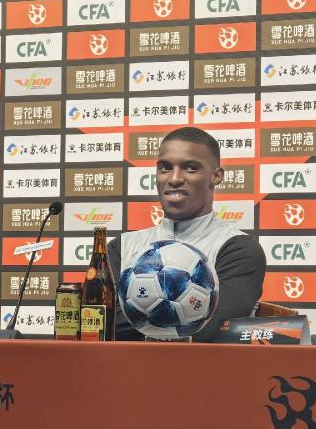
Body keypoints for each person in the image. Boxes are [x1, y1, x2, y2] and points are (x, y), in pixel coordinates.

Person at [108, 127, 266, 342]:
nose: (174, 179)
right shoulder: (122, 246)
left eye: (191, 168)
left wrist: (142, 318)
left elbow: (214, 329)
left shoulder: (238, 248)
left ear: (216, 176)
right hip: (124, 365)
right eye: (165, 167)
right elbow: (104, 323)